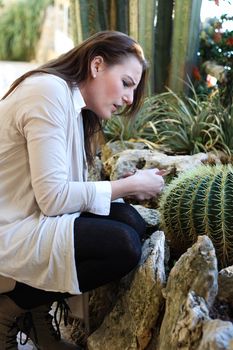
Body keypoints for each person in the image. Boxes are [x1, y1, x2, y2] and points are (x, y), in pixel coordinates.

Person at [0, 30, 165, 350]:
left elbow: (61, 191)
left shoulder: (73, 105)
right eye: (127, 83)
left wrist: (123, 188)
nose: (130, 98)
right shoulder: (47, 92)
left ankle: (34, 311)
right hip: (9, 225)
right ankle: (7, 312)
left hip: (30, 217)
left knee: (131, 221)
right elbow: (52, 198)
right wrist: (128, 184)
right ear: (97, 65)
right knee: (121, 245)